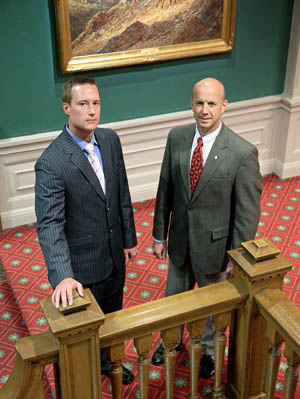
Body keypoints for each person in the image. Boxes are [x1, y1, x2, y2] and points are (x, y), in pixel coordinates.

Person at [151, 77, 262, 378]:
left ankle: (211, 355)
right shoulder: (177, 137)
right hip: (179, 243)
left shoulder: (242, 153)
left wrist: (235, 258)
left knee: (213, 311)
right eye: (199, 102)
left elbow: (246, 215)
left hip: (216, 251)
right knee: (173, 301)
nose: (205, 110)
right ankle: (170, 342)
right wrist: (159, 234)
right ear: (191, 103)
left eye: (212, 103)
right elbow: (166, 189)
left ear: (224, 105)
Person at [35, 76, 138, 385]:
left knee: (111, 318)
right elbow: (50, 224)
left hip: (113, 257)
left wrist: (129, 237)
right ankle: (82, 377)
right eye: (83, 104)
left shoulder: (110, 139)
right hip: (81, 268)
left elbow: (121, 192)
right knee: (82, 332)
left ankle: (108, 363)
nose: (92, 111)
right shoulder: (51, 162)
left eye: (96, 103)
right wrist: (62, 274)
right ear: (66, 108)